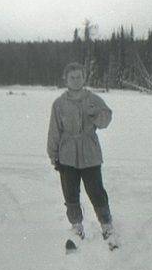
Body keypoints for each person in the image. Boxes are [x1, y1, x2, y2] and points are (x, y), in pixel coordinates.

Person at [47, 62, 115, 242]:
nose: (76, 81)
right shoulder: (59, 103)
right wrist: (54, 154)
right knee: (70, 192)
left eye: (79, 77)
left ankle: (107, 225)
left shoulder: (93, 99)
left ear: (84, 78)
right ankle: (76, 226)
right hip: (67, 154)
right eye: (72, 77)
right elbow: (54, 131)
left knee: (96, 191)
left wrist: (95, 115)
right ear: (66, 79)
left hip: (90, 153)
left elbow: (105, 121)